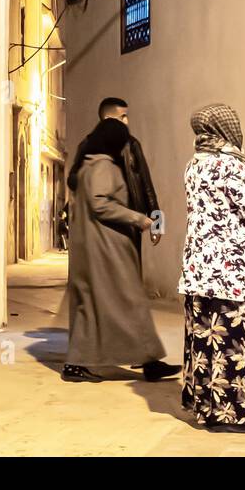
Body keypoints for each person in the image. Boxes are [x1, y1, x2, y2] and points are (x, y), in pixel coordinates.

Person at [63, 116, 179, 383]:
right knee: (129, 301)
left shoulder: (87, 165)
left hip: (94, 248)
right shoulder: (103, 166)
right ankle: (147, 360)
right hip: (107, 249)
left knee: (90, 306)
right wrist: (141, 219)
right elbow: (99, 204)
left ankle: (143, 361)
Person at [179, 104, 245, 432]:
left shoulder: (195, 164)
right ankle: (231, 413)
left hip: (200, 269)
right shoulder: (231, 163)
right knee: (235, 339)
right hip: (232, 272)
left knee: (207, 340)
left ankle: (208, 407)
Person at [68, 97, 162, 244]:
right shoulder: (87, 146)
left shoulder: (132, 144)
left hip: (132, 221)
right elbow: (73, 181)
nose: (126, 121)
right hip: (101, 225)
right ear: (107, 119)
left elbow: (146, 184)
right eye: (123, 116)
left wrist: (158, 223)